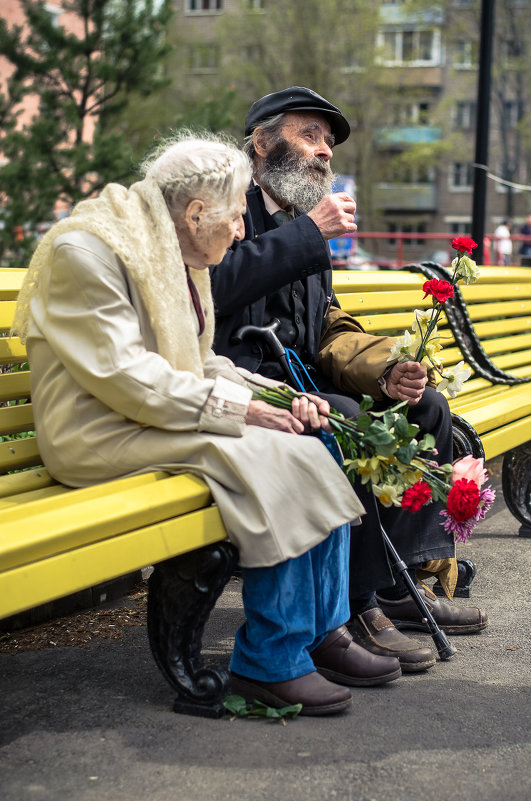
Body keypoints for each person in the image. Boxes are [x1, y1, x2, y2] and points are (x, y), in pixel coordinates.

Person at [12, 133, 403, 717]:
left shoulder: (173, 246)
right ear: (196, 213)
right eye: (235, 215)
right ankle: (271, 662)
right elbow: (126, 376)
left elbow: (201, 363)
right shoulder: (89, 252)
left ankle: (321, 632)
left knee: (318, 438)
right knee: (281, 459)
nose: (243, 231)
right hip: (96, 430)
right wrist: (245, 412)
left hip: (150, 416)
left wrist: (281, 396)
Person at [210, 87, 489, 672]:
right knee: (350, 421)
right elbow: (214, 288)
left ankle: (398, 585)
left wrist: (387, 370)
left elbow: (327, 326)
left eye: (328, 144)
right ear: (262, 142)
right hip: (246, 387)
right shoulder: (226, 204)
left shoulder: (296, 220)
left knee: (426, 409)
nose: (324, 154)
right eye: (308, 136)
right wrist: (310, 233)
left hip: (301, 381)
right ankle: (356, 602)